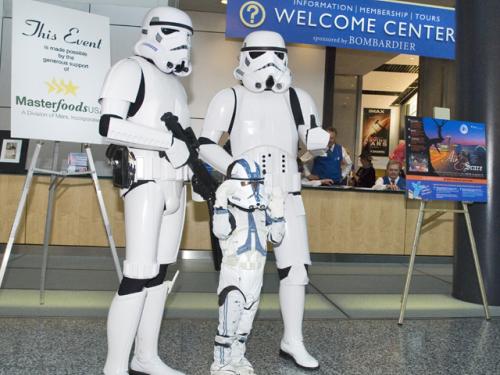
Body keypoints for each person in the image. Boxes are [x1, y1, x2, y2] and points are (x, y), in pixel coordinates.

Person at [198, 31, 329, 370]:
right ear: (244, 56)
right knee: (241, 276)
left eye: (277, 54)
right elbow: (205, 144)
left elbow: (310, 142)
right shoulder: (229, 97)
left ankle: (293, 340)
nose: (269, 62)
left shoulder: (299, 98)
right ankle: (229, 351)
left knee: (296, 270)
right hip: (245, 197)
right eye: (260, 53)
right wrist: (233, 166)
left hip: (287, 193)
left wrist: (318, 142)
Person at [98, 7, 194, 375]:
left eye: (187, 38)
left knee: (160, 274)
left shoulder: (176, 85)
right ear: (151, 32)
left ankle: (146, 356)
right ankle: (115, 365)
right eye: (172, 33)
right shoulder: (129, 70)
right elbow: (109, 125)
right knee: (138, 273)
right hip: (144, 179)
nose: (182, 44)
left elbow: (185, 142)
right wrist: (165, 141)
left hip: (176, 184)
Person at [210, 157, 285, 375]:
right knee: (228, 326)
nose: (253, 189)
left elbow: (277, 237)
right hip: (234, 276)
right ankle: (221, 364)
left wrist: (277, 207)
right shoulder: (227, 211)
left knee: (244, 327)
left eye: (257, 183)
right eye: (247, 183)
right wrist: (221, 200)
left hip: (255, 277)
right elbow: (221, 231)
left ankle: (238, 358)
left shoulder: (262, 212)